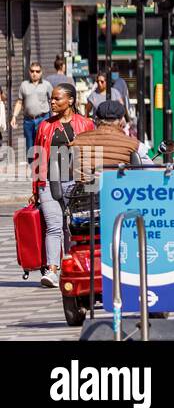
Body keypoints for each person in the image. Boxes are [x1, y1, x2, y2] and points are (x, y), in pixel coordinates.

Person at [30, 83, 93, 287]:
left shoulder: (85, 125)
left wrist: (90, 182)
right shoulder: (45, 126)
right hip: (49, 181)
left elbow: (91, 157)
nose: (53, 102)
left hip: (75, 182)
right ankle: (52, 271)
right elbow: (38, 158)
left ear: (71, 100)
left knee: (73, 227)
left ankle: (71, 266)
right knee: (54, 226)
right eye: (52, 98)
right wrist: (35, 190)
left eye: (57, 98)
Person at [71, 99, 142, 182]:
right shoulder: (134, 144)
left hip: (84, 192)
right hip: (117, 192)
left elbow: (70, 169)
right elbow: (151, 169)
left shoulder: (78, 140)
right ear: (121, 121)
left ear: (96, 120)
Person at [12, 62, 54, 165]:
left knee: (43, 143)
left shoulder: (47, 85)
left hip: (43, 118)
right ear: (29, 72)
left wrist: (55, 117)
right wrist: (14, 116)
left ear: (41, 72)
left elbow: (53, 101)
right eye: (32, 71)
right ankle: (33, 168)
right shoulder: (24, 85)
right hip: (28, 120)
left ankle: (44, 166)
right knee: (30, 146)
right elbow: (19, 101)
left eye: (37, 71)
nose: (34, 73)